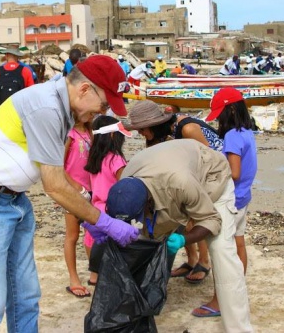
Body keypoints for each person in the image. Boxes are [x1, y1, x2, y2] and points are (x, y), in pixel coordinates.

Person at [0, 55, 138, 332]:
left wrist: (87, 215)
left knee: (25, 297)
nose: (100, 112)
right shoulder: (46, 108)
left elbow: (59, 174)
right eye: (103, 104)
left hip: (13, 200)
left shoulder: (60, 106)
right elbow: (54, 185)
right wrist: (103, 222)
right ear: (85, 89)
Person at [104, 139, 253, 333]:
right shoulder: (125, 185)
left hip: (211, 178)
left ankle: (239, 328)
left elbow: (211, 219)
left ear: (148, 203)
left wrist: (185, 239)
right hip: (170, 177)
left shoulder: (180, 183)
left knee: (221, 250)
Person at [126, 101, 223, 284]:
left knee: (197, 216)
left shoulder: (186, 128)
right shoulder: (157, 138)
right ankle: (192, 258)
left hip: (212, 172)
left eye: (142, 130)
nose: (141, 134)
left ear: (153, 126)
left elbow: (207, 159)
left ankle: (204, 261)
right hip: (186, 172)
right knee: (177, 215)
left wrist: (193, 201)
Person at [192, 88, 257, 319]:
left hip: (230, 199)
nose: (218, 119)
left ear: (230, 109)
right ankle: (237, 292)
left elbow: (234, 172)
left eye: (220, 114)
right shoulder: (248, 132)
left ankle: (220, 301)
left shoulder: (231, 136)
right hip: (244, 198)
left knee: (222, 253)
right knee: (239, 246)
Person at [84, 116, 131, 285]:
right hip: (111, 212)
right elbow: (124, 187)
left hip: (94, 209)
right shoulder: (116, 160)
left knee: (92, 243)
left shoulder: (94, 157)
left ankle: (94, 277)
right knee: (112, 250)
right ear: (112, 136)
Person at [62, 120, 93, 298]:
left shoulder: (91, 132)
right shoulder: (69, 134)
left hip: (92, 188)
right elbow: (59, 166)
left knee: (92, 233)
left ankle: (94, 272)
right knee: (72, 235)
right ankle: (74, 279)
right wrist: (76, 187)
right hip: (73, 191)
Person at [0, 48, 35, 112]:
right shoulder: (25, 70)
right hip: (19, 109)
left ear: (6, 56)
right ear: (17, 57)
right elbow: (31, 93)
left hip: (2, 109)